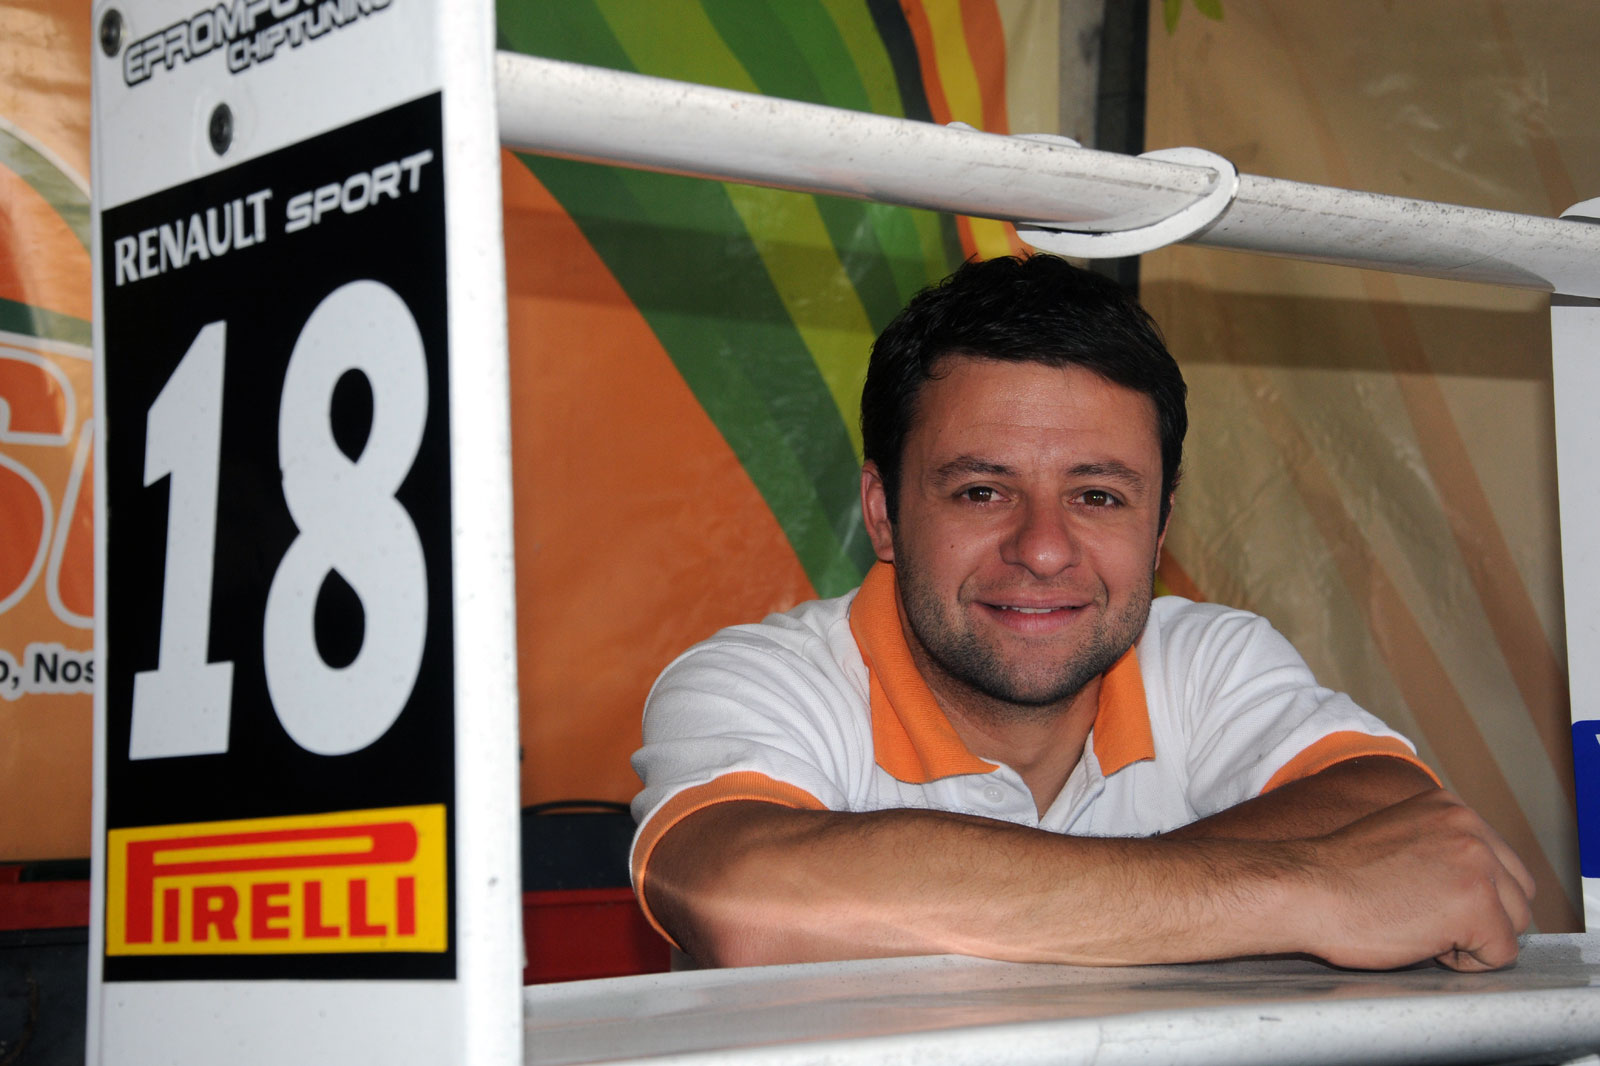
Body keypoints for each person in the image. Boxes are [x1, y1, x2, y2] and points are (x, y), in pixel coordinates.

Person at [629, 254, 1534, 973]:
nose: (1044, 549)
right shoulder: (756, 681)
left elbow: (1396, 814)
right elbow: (746, 904)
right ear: (884, 513)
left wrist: (1065, 905)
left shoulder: (1208, 657)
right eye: (982, 491)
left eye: (1098, 496)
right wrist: (1304, 894)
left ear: (1160, 525)